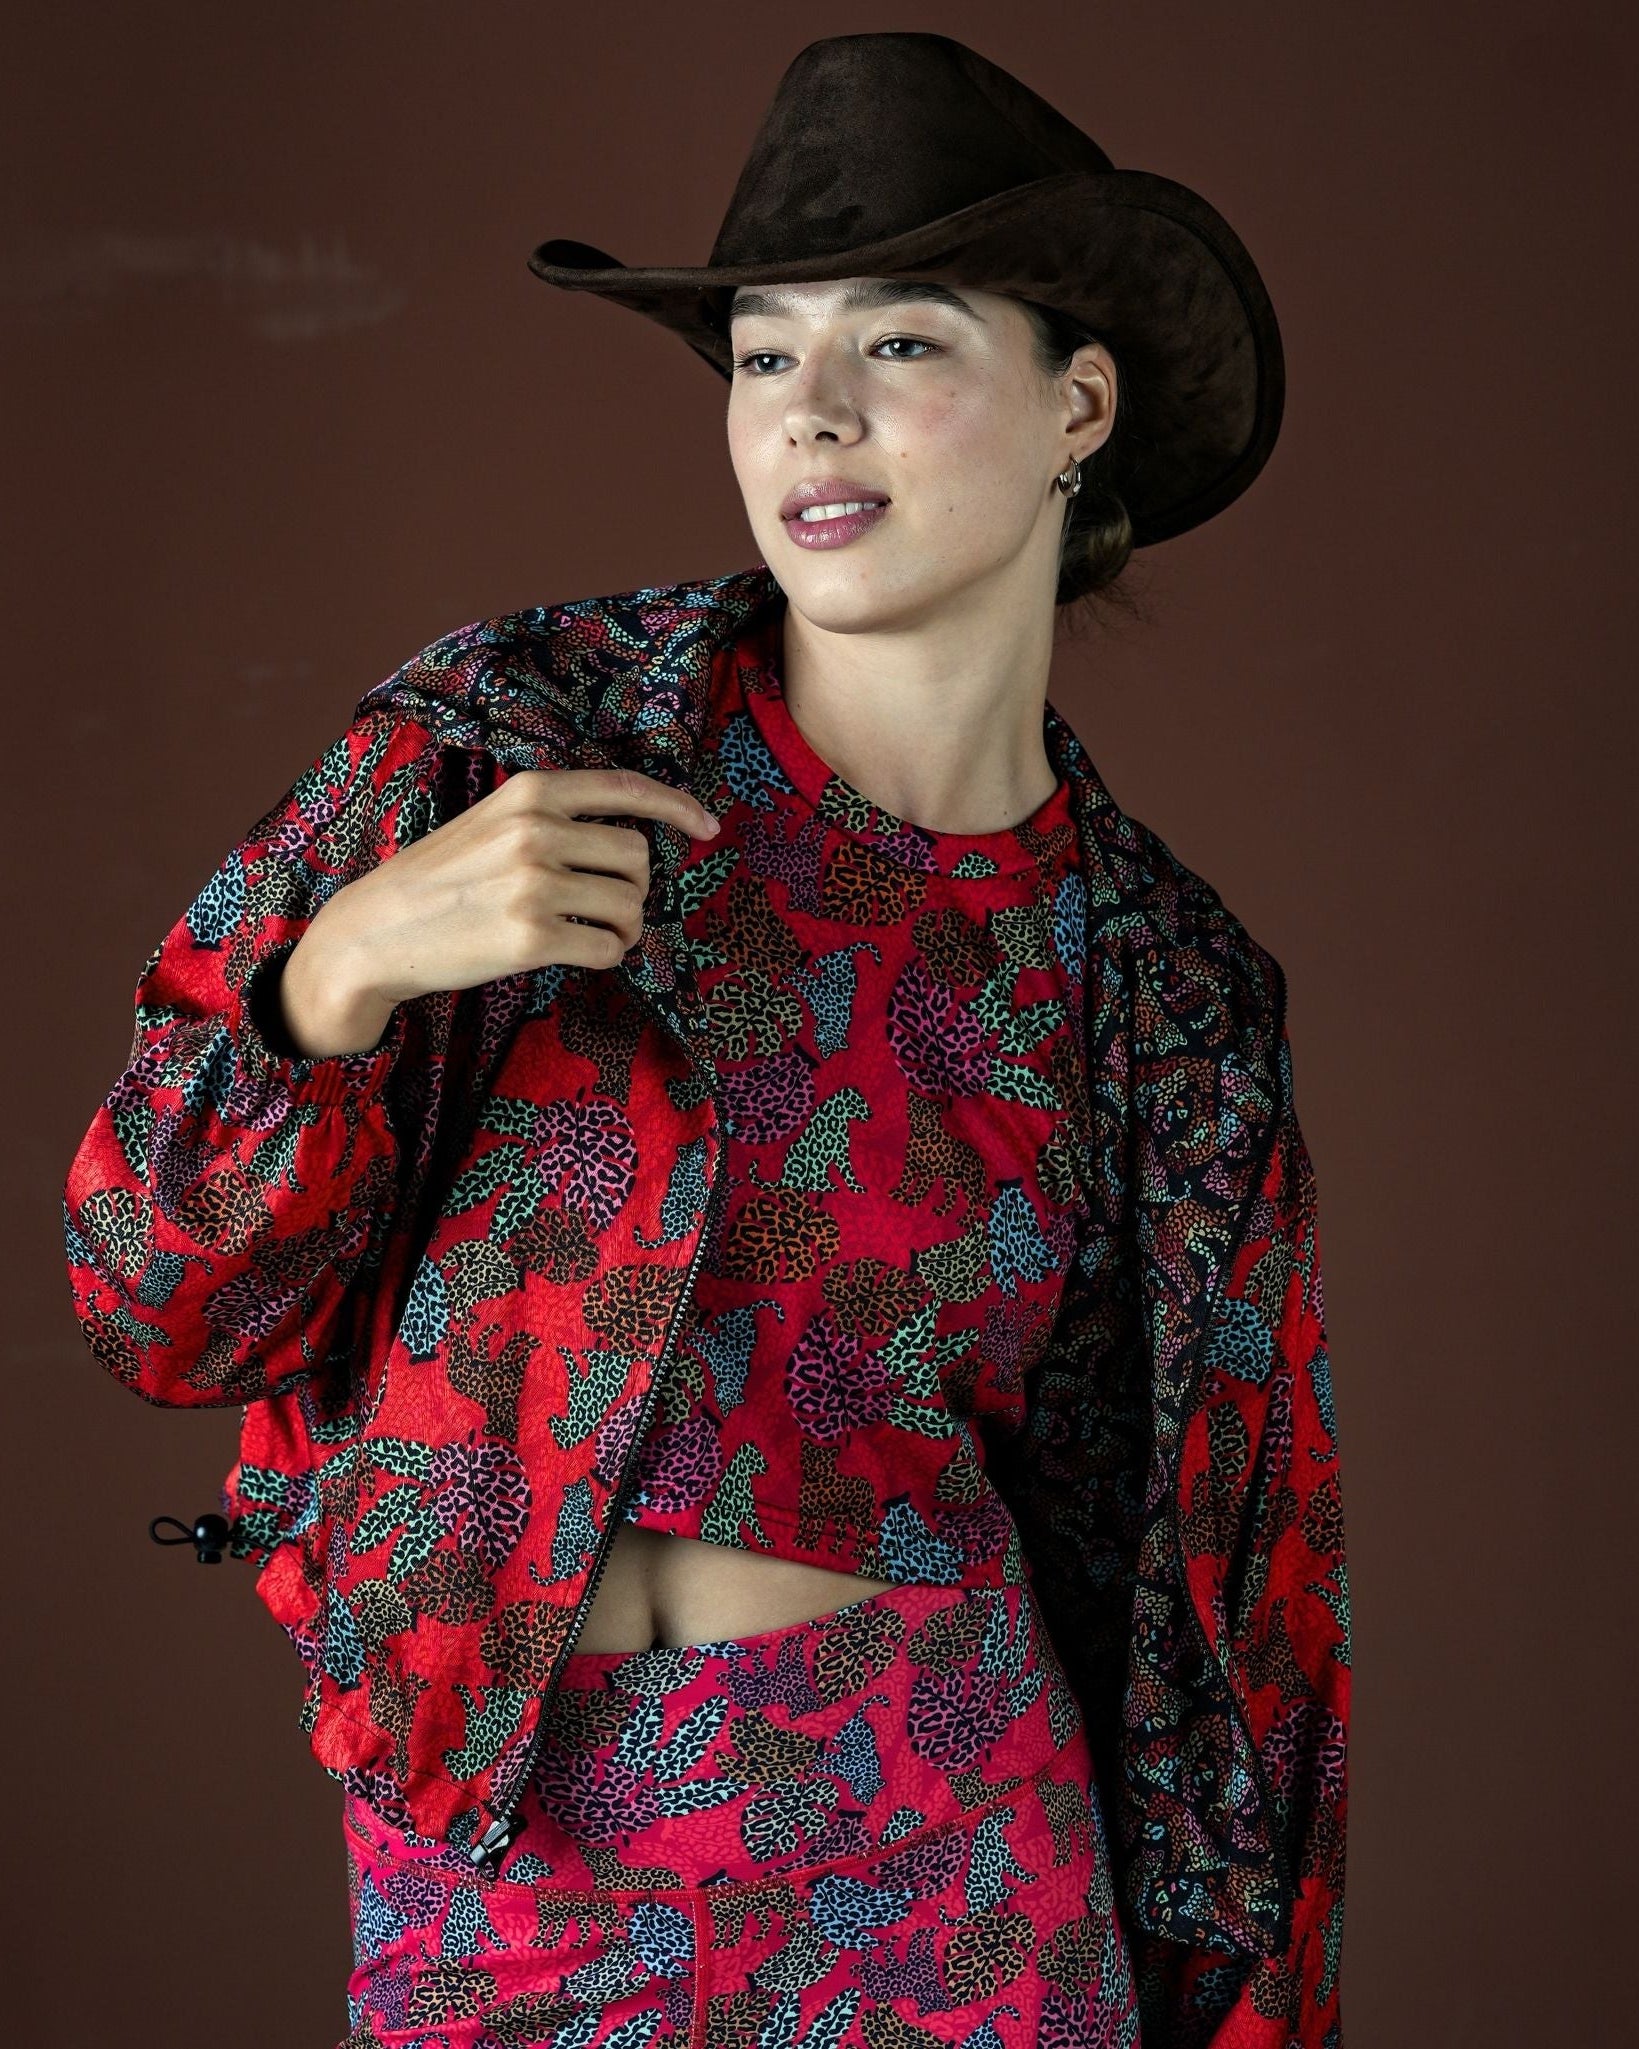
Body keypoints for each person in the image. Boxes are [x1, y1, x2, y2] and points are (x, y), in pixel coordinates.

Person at [62, 31, 1349, 2049]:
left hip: (937, 1856)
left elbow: (1228, 1621)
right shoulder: (508, 731)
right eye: (763, 354)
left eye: (901, 344)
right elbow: (153, 1302)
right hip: (505, 1854)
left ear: (1078, 401)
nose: (810, 415)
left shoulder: (1161, 987)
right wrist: (343, 970)